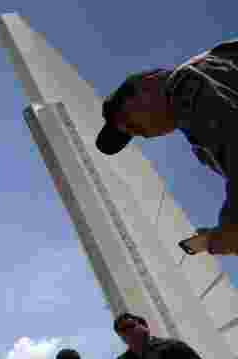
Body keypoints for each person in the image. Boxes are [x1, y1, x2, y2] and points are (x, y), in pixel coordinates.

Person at [95, 41, 238, 255]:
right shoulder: (199, 134)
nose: (134, 130)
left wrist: (232, 227)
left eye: (125, 118)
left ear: (149, 81)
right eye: (130, 134)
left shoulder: (185, 85)